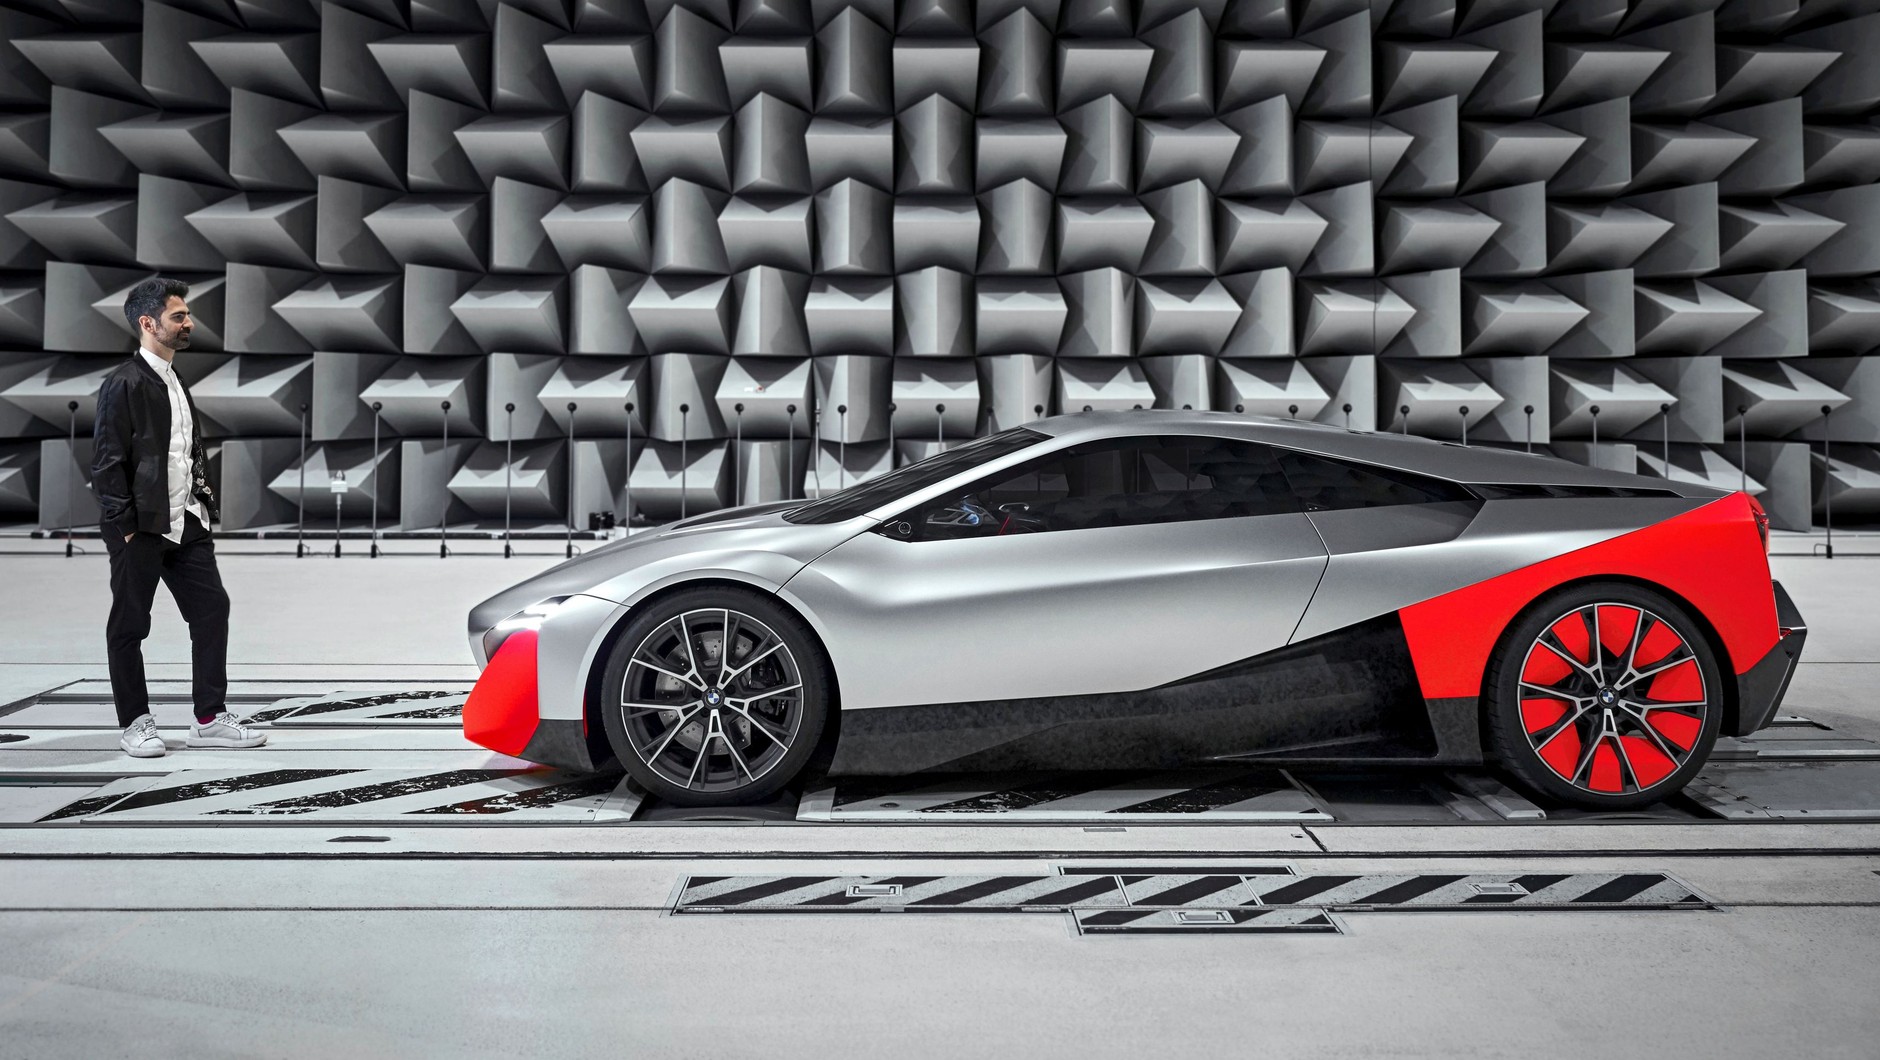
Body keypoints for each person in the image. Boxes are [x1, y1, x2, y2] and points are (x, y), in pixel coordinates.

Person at [93, 277, 265, 758]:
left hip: (185, 521)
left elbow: (185, 453)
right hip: (141, 526)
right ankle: (135, 722)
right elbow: (107, 461)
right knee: (130, 625)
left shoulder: (174, 377)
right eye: (179, 316)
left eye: (186, 314)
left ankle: (208, 718)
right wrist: (125, 526)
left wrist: (202, 505)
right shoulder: (124, 383)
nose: (189, 322)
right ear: (148, 323)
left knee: (212, 610)